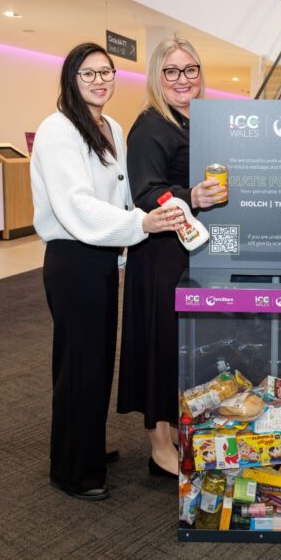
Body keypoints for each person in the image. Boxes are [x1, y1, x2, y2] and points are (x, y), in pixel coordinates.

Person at [31, 42, 179, 501]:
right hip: (72, 258)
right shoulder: (58, 130)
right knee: (79, 363)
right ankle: (73, 470)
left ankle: (86, 445)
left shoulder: (109, 125)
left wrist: (120, 250)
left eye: (106, 72)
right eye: (88, 74)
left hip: (99, 255)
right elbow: (75, 204)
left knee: (96, 361)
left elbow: (118, 192)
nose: (99, 81)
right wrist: (139, 224)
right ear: (71, 80)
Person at [117, 36, 225, 477]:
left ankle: (180, 432)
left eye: (190, 70)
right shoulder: (150, 126)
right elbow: (145, 192)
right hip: (160, 256)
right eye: (172, 71)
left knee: (185, 346)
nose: (183, 80)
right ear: (157, 77)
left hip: (192, 253)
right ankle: (160, 444)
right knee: (160, 345)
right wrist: (189, 196)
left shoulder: (200, 121)